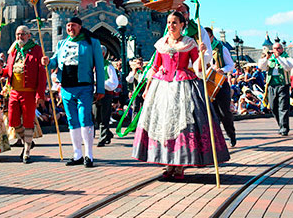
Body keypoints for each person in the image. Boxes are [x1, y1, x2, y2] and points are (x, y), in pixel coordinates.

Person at [132, 9, 229, 180]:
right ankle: (169, 163)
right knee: (164, 124)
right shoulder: (161, 43)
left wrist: (201, 53)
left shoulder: (189, 43)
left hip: (184, 85)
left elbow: (198, 67)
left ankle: (180, 165)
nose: (171, 26)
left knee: (183, 124)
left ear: (182, 25)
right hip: (162, 87)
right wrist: (147, 88)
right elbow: (154, 67)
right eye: (169, 22)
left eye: (174, 23)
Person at [42, 14, 105, 167]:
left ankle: (88, 155)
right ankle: (77, 154)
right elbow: (55, 62)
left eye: (73, 25)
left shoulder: (92, 43)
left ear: (80, 26)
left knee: (85, 118)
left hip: (84, 86)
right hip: (66, 87)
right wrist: (48, 62)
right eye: (68, 26)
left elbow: (99, 67)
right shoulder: (62, 44)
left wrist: (100, 88)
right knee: (72, 120)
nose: (70, 28)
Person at [0, 25, 46, 163]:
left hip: (29, 92)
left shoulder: (37, 50)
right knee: (13, 121)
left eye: (22, 34)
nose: (20, 37)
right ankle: (27, 141)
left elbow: (41, 74)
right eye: (17, 34)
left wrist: (40, 95)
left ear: (29, 35)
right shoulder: (13, 50)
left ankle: (26, 150)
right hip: (14, 91)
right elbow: (9, 68)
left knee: (27, 121)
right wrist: (0, 70)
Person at [204, 27, 236, 147]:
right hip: (207, 85)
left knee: (224, 112)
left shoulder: (221, 48)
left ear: (212, 37)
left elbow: (231, 65)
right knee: (211, 114)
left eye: (207, 37)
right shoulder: (200, 49)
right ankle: (216, 141)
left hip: (220, 84)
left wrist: (222, 70)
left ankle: (231, 134)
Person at [257, 40, 293, 136]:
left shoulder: (287, 58)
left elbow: (288, 67)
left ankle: (284, 128)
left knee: (283, 107)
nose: (276, 50)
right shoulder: (269, 59)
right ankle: (281, 125)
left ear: (282, 49)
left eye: (278, 48)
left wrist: (279, 58)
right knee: (273, 107)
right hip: (271, 85)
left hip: (283, 85)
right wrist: (266, 58)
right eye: (274, 49)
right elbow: (261, 67)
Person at [96, 48, 118, 146]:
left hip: (106, 94)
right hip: (94, 95)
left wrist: (101, 84)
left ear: (103, 53)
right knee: (97, 117)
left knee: (104, 117)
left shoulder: (108, 66)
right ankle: (107, 133)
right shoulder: (92, 65)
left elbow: (114, 82)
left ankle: (103, 139)